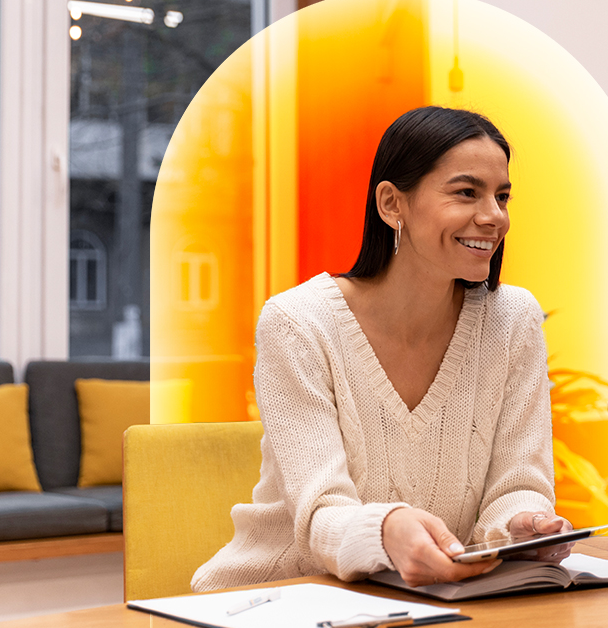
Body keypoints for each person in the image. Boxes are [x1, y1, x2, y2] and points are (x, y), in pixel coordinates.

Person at [193, 106, 570, 591]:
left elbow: (519, 486)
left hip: (424, 601)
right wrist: (387, 529)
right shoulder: (298, 324)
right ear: (393, 204)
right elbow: (321, 515)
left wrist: (521, 525)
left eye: (501, 196)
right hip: (276, 597)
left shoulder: (512, 319)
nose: (494, 217)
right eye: (466, 192)